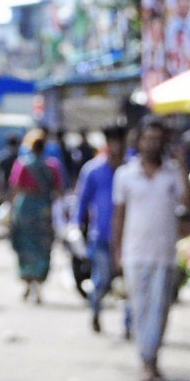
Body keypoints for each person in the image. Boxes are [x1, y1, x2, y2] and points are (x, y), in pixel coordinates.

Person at [110, 119, 187, 381]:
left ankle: (152, 358)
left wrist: (184, 165)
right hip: (134, 253)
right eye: (148, 138)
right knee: (141, 309)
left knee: (160, 309)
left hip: (164, 254)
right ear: (139, 142)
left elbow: (188, 203)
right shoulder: (125, 175)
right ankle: (146, 361)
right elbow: (119, 216)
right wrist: (117, 252)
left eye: (157, 138)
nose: (152, 143)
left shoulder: (172, 173)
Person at [6, 129, 64, 304]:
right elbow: (60, 191)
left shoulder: (22, 164)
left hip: (25, 210)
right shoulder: (52, 166)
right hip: (43, 210)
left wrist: (10, 214)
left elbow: (14, 190)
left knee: (25, 247)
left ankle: (28, 283)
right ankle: (37, 285)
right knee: (42, 248)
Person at [76, 130, 124, 333]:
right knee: (102, 280)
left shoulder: (131, 170)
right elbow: (82, 201)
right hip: (101, 235)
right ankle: (95, 311)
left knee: (127, 285)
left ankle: (129, 325)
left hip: (128, 238)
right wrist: (76, 227)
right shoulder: (93, 170)